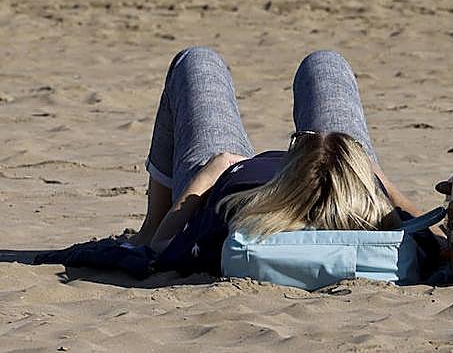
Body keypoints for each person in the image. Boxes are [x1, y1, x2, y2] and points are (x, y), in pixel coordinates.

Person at [130, 46, 427, 268]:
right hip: (341, 177)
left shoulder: (238, 222)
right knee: (325, 63)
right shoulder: (373, 217)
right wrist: (378, 179)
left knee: (197, 61)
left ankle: (148, 224)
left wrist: (211, 174)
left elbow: (162, 246)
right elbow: (439, 239)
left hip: (229, 175)